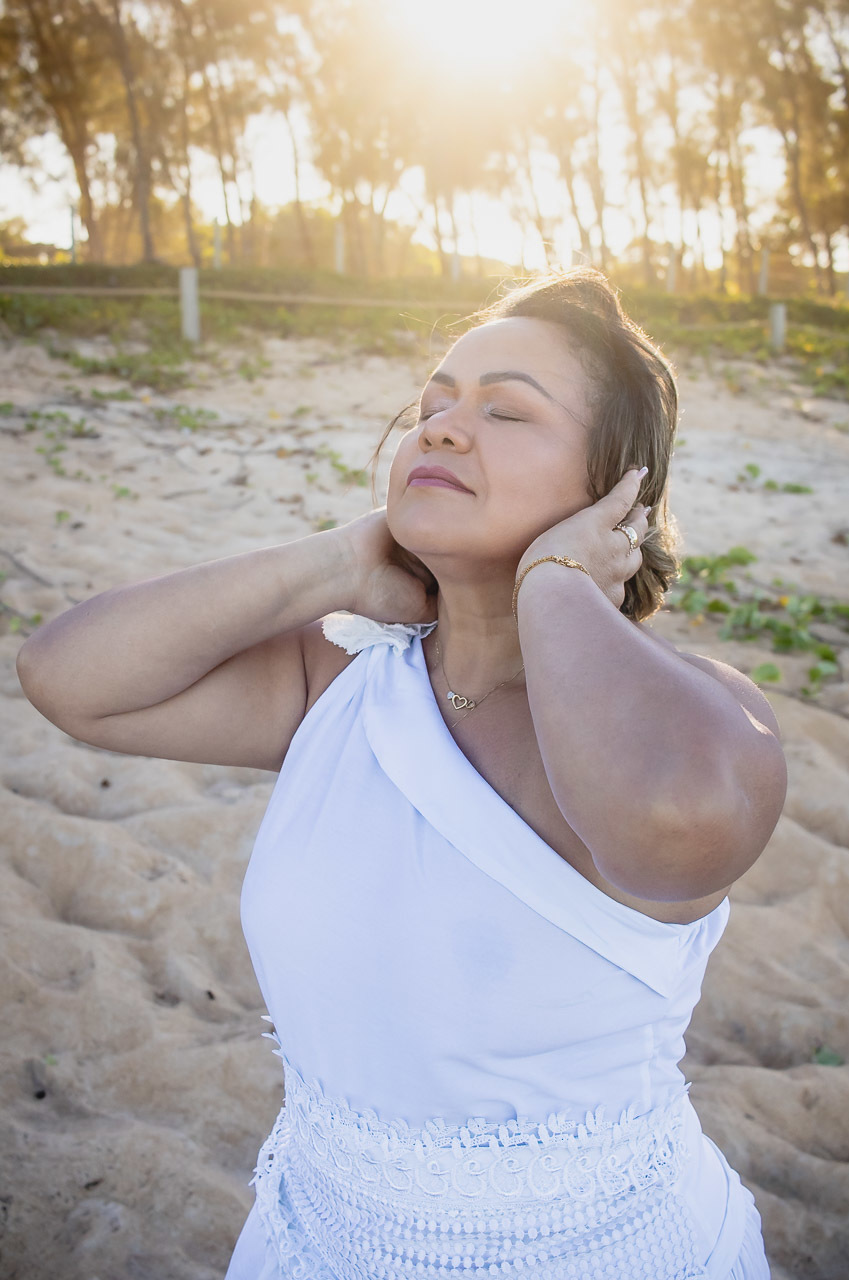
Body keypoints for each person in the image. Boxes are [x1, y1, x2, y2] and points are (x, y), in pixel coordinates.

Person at [16, 267, 786, 1280]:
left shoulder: (690, 713)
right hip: (314, 1241)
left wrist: (555, 582)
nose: (442, 428)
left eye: (505, 408)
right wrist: (337, 561)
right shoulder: (341, 678)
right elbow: (68, 678)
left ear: (616, 492)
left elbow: (674, 819)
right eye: (432, 403)